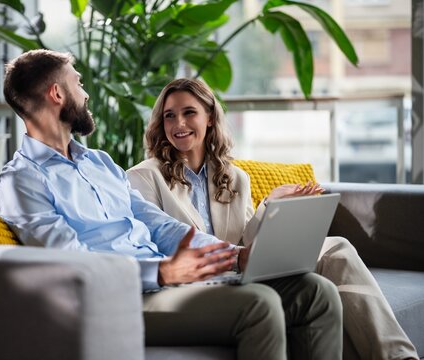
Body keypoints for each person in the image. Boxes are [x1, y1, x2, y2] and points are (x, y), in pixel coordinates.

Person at [0, 49, 343, 360]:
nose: (85, 94)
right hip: (119, 300)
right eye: (78, 83)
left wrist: (231, 256)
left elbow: (159, 224)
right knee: (259, 305)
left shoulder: (98, 163)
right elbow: (71, 261)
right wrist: (160, 272)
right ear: (57, 94)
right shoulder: (21, 180)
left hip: (167, 282)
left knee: (315, 292)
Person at [126, 78, 419, 360]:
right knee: (320, 287)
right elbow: (152, 241)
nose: (178, 124)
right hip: (200, 282)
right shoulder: (145, 176)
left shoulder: (234, 177)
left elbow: (246, 241)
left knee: (337, 248)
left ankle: (401, 357)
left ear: (211, 118)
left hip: (242, 270)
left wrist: (270, 205)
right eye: (169, 116)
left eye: (189, 112)